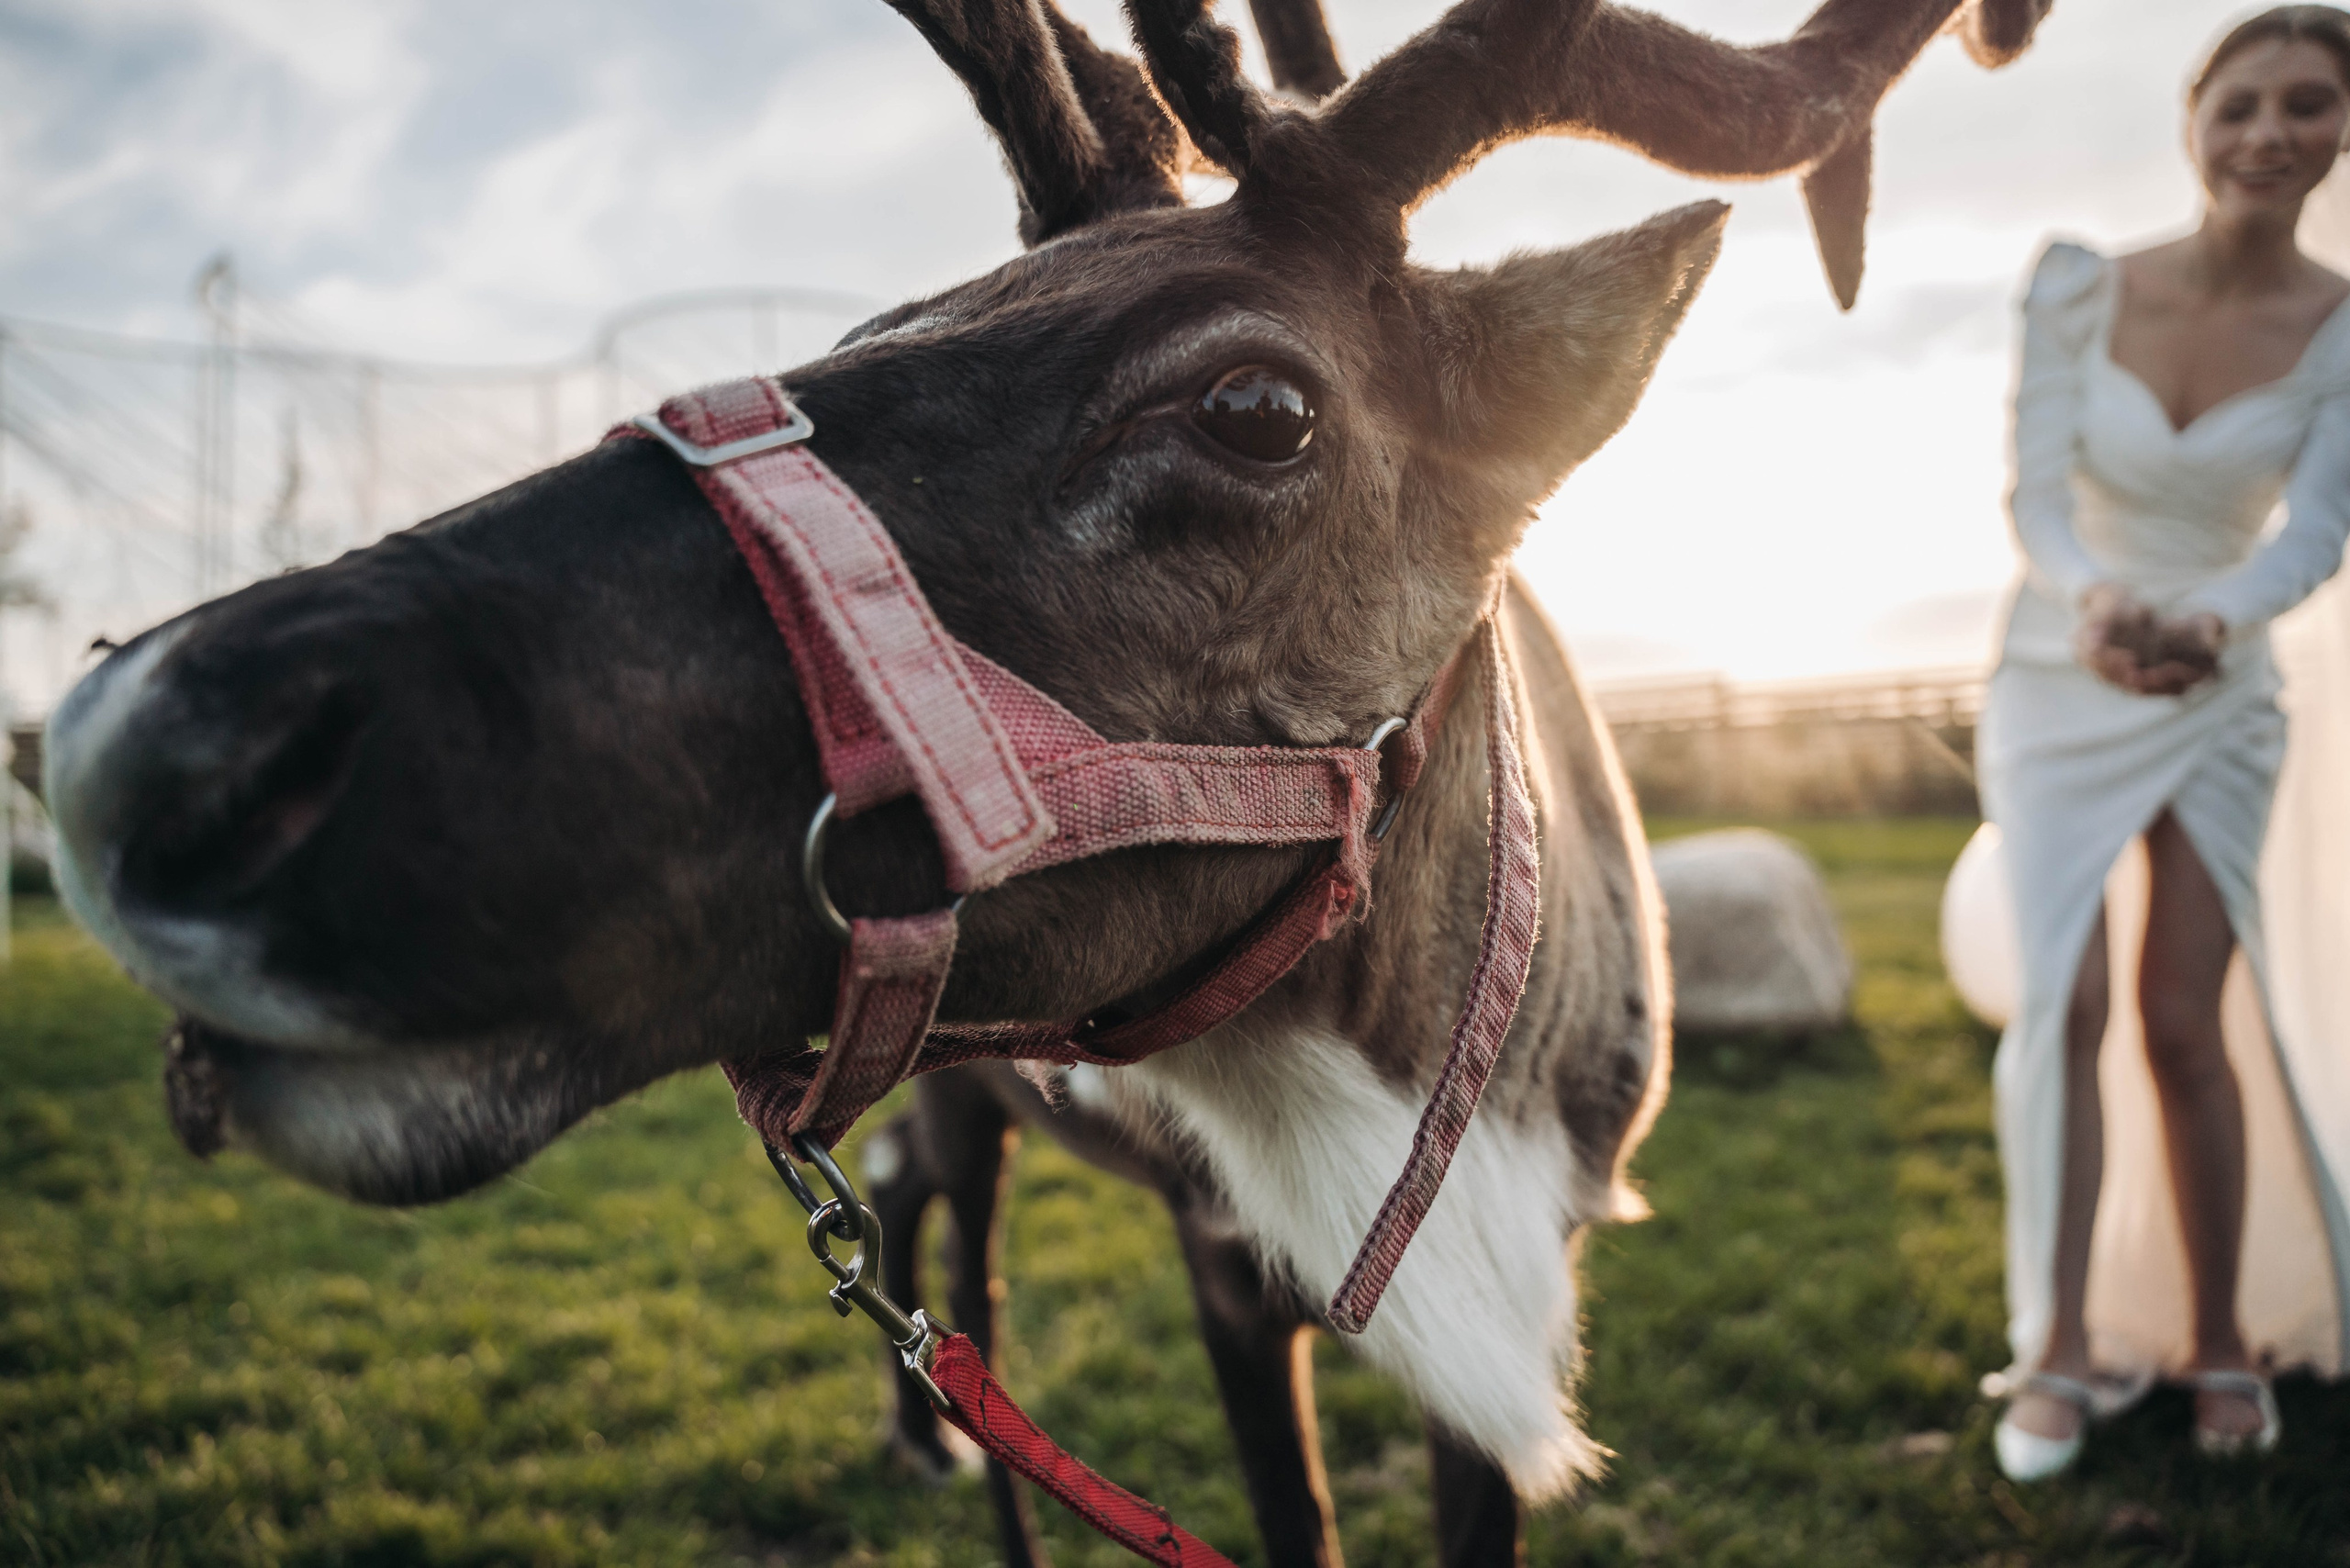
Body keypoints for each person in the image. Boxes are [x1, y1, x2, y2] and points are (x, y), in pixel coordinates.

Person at [1975, 6, 2350, 1483]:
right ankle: (2057, 1343)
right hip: (2058, 667)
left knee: (2186, 1017)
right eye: (2242, 103)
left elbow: (2315, 530)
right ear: (2194, 119)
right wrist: (2098, 601)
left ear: (2340, 134)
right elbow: (2036, 498)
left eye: (2309, 107)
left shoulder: (2343, 327)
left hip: (2220, 684)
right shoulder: (2077, 285)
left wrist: (2211, 622)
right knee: (2058, 1008)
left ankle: (2215, 1336)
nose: (2271, 133)